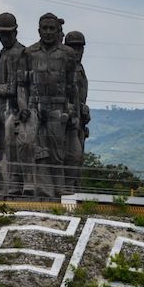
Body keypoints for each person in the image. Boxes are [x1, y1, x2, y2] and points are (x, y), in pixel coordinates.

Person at [18, 13, 78, 198]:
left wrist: (72, 110)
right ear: (39, 30)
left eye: (52, 28)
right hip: (34, 106)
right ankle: (30, 184)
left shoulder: (67, 54)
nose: (48, 32)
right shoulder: (29, 53)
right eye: (45, 28)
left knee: (57, 151)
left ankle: (59, 189)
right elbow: (21, 85)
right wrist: (22, 106)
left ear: (58, 30)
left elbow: (72, 86)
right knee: (27, 143)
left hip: (57, 107)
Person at [0, 12, 27, 197]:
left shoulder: (20, 53)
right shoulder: (3, 52)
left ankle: (13, 186)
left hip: (13, 109)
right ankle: (0, 187)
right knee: (0, 147)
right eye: (1, 34)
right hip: (0, 108)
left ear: (15, 32)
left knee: (12, 149)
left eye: (7, 33)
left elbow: (14, 87)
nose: (4, 38)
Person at [62, 30, 89, 193]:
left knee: (78, 158)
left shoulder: (80, 69)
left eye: (80, 48)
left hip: (79, 121)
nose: (77, 51)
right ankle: (67, 188)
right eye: (73, 48)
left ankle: (73, 187)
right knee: (71, 155)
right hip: (67, 120)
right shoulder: (65, 69)